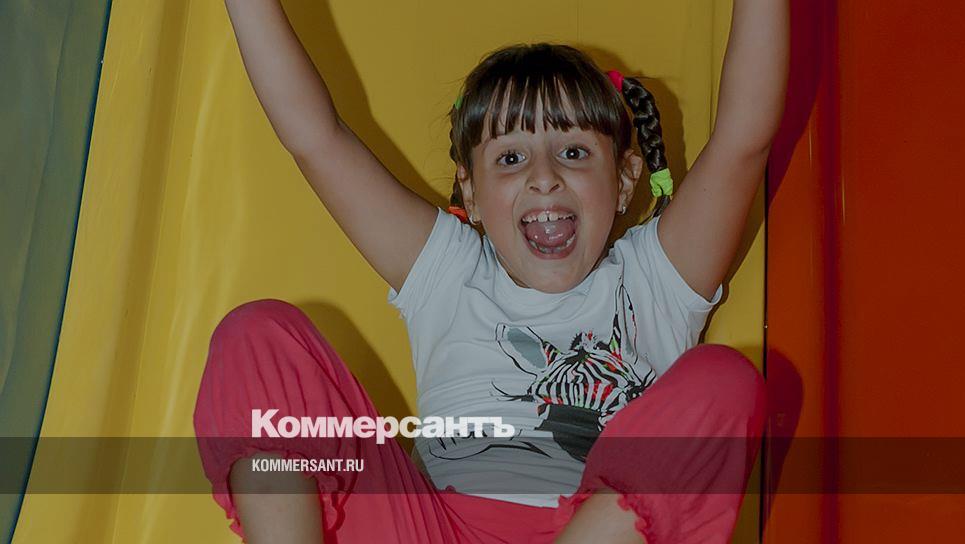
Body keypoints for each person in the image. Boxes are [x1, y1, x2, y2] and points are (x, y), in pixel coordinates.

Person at [194, 0, 788, 542]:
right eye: (510, 157)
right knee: (259, 335)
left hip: (594, 529)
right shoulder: (449, 273)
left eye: (574, 151)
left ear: (626, 178)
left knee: (725, 379)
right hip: (434, 531)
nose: (543, 176)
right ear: (471, 195)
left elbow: (743, 141)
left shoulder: (656, 279)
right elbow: (315, 138)